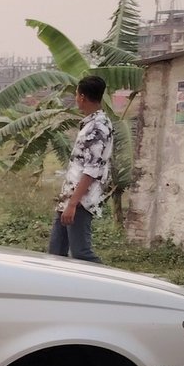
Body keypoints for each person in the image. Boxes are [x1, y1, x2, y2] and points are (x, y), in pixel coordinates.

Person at [50, 75, 113, 264]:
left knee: (81, 254)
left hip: (80, 201)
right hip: (70, 197)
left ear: (82, 97)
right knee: (56, 252)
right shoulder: (92, 123)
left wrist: (73, 204)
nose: (76, 98)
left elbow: (91, 170)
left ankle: (109, 280)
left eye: (76, 94)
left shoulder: (98, 127)